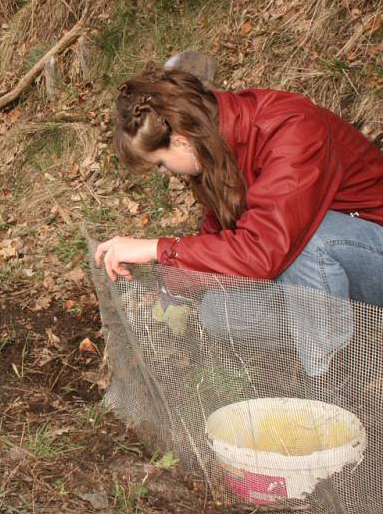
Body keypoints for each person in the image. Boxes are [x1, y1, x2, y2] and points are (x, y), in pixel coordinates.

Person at [95, 63, 383, 381]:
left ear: (179, 141)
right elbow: (221, 234)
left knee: (309, 244)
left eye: (160, 163)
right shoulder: (214, 146)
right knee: (218, 312)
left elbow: (265, 250)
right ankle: (346, 333)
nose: (165, 172)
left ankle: (329, 379)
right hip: (308, 268)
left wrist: (157, 248)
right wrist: (174, 283)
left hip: (368, 246)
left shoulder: (290, 125)